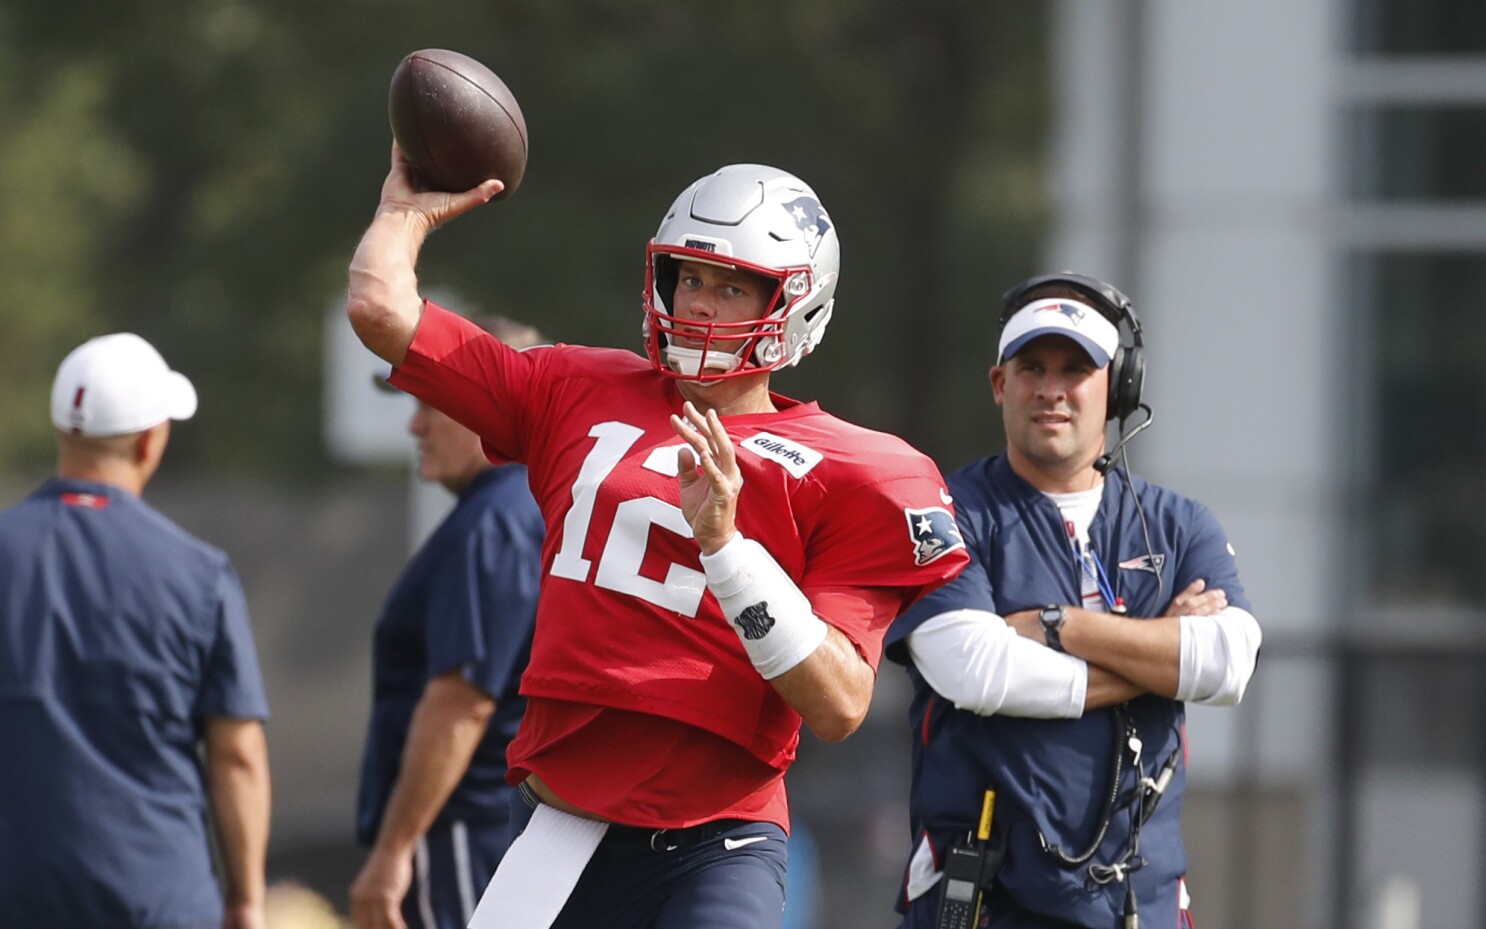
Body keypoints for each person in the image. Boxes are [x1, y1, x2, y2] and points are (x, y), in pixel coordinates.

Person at [344, 149, 970, 929]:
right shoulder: (573, 387)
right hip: (556, 830)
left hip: (718, 841)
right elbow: (381, 311)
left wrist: (729, 552)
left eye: (733, 285)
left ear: (795, 303)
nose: (702, 302)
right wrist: (403, 214)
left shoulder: (853, 468)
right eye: (690, 277)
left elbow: (841, 703)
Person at [885, 273, 1263, 929]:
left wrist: (1057, 625)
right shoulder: (943, 509)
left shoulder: (1179, 524)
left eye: (1076, 368)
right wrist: (1156, 657)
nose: (1052, 389)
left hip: (1139, 901)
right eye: (1032, 367)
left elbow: (1226, 665)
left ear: (1116, 386)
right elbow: (979, 670)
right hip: (985, 898)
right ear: (1000, 383)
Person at [0, 333, 272, 929]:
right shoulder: (199, 575)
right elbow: (238, 755)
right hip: (159, 898)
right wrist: (247, 898)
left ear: (63, 433)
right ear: (151, 440)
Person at [350, 315, 547, 929]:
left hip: (467, 830)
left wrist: (393, 850)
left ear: (485, 404)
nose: (415, 424)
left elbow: (461, 703)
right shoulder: (531, 504)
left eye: (431, 404)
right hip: (504, 826)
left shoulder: (497, 522)